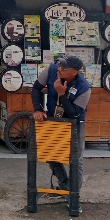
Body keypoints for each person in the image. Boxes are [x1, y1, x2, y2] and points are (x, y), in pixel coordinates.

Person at [31, 56, 91, 192]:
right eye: (59, 65)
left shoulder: (84, 88)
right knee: (51, 154)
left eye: (64, 68)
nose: (59, 69)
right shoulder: (51, 70)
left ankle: (73, 192)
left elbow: (74, 113)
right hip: (54, 120)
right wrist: (38, 109)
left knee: (75, 159)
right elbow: (36, 88)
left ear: (74, 72)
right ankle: (64, 185)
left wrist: (62, 94)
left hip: (75, 123)